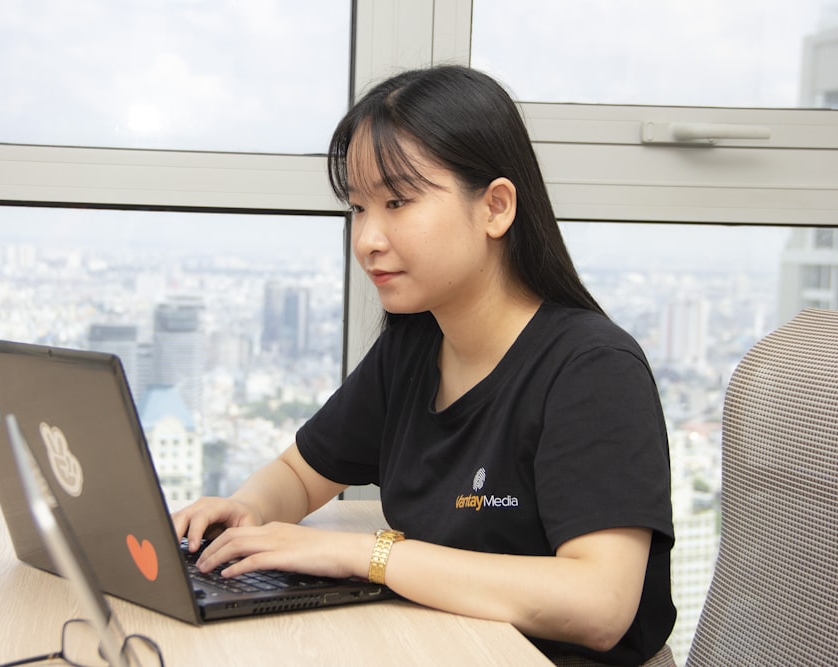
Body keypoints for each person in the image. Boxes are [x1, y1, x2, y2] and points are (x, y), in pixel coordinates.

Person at [172, 65, 676, 666]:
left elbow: (599, 604)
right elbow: (304, 473)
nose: (366, 239)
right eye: (358, 207)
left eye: (398, 201)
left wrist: (364, 556)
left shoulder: (593, 370)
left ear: (494, 207)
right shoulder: (414, 345)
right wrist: (250, 510)